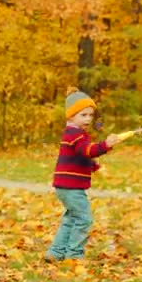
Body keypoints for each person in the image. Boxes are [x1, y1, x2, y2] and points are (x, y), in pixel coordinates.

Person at [45, 87, 120, 262]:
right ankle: (74, 255)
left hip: (66, 185)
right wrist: (106, 145)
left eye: (90, 115)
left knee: (71, 218)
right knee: (84, 219)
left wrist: (91, 166)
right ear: (71, 116)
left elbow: (78, 156)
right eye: (83, 115)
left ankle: (56, 253)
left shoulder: (74, 134)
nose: (88, 119)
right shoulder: (76, 134)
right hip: (71, 188)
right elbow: (87, 150)